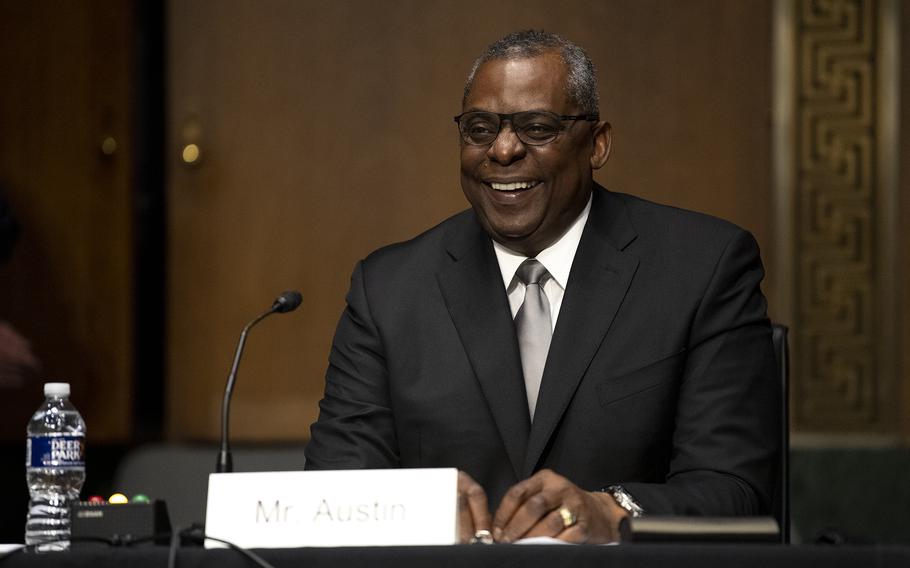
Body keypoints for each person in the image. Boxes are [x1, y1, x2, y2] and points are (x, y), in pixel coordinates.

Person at [304, 30, 779, 544]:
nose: (503, 150)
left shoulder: (702, 267)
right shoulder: (390, 288)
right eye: (480, 128)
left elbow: (735, 489)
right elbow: (337, 489)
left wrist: (610, 513)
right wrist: (416, 511)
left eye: (537, 127)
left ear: (597, 144)